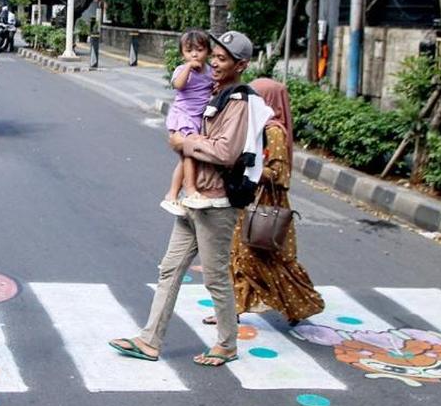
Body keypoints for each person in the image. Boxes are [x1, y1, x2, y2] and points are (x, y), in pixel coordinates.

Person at [109, 31, 269, 367]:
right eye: (215, 56)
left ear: (241, 65)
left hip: (216, 203)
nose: (214, 62)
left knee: (214, 277)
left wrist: (186, 144)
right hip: (193, 200)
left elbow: (226, 152)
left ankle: (227, 343)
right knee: (169, 269)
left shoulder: (237, 102)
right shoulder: (215, 92)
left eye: (223, 60)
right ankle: (149, 340)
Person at [203, 78, 325, 326]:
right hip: (250, 202)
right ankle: (230, 311)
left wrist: (244, 165)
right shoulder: (256, 127)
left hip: (267, 204)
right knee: (239, 255)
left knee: (262, 258)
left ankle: (300, 305)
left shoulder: (274, 131)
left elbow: (278, 174)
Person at [160, 30, 214, 215]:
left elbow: (214, 89)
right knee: (189, 154)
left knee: (184, 159)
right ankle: (190, 190)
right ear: (182, 53)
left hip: (197, 119)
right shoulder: (182, 71)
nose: (194, 54)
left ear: (208, 51)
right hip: (182, 117)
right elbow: (178, 85)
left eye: (199, 50)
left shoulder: (210, 72)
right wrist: (188, 67)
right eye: (189, 51)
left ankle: (172, 194)